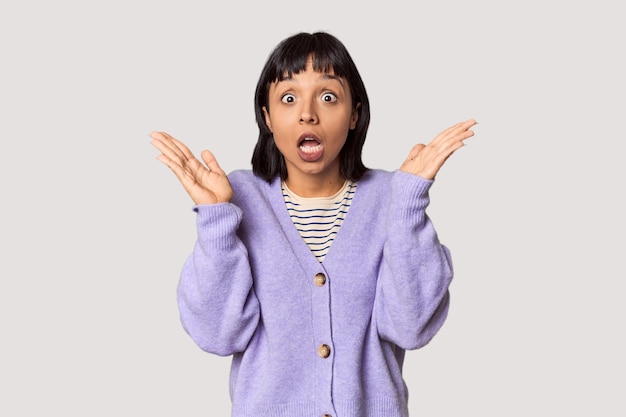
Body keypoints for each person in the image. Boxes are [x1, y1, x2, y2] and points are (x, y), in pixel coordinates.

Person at [151, 31, 476, 417]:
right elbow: (217, 335)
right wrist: (216, 221)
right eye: (289, 98)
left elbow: (411, 327)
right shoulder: (237, 198)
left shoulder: (392, 197)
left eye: (328, 96)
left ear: (354, 113)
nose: (308, 113)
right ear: (267, 117)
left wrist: (408, 204)